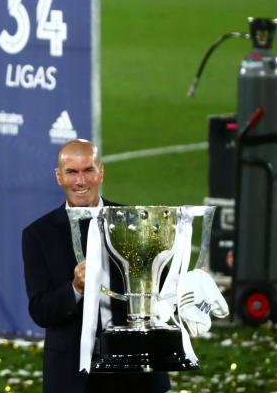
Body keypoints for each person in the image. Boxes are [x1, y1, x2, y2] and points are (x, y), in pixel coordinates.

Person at [21, 139, 170, 393]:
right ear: (59, 177)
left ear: (101, 173)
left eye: (88, 170)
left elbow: (163, 287)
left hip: (137, 373)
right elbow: (41, 311)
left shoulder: (135, 223)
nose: (81, 181)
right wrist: (75, 288)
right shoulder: (38, 234)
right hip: (73, 377)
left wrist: (187, 281)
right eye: (72, 172)